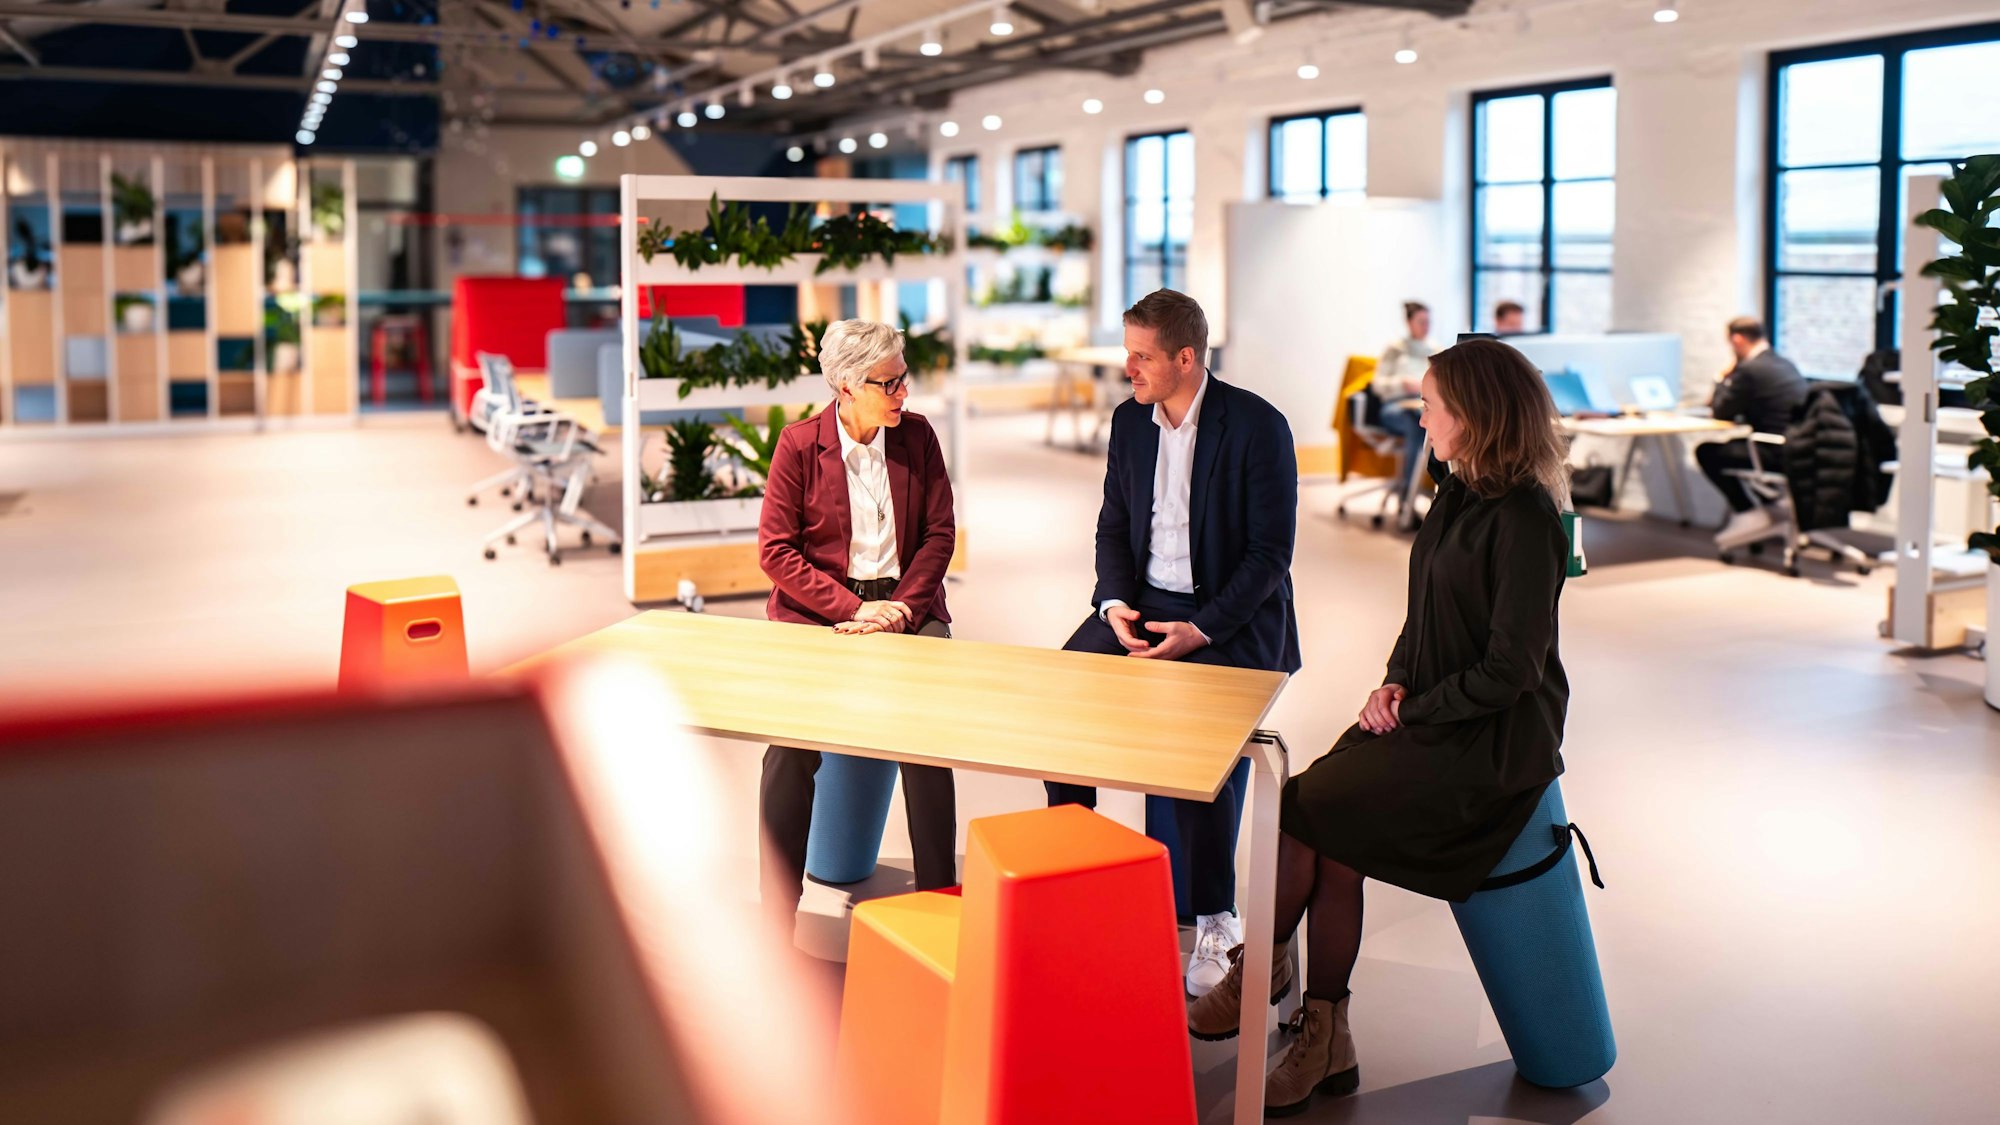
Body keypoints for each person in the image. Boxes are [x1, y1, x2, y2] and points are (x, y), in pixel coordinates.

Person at [1186, 337, 1573, 1117]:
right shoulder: (1458, 491)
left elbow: (1513, 672)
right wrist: (1395, 680)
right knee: (1319, 815)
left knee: (1309, 809)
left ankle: (1277, 977)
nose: (1417, 414)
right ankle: (1322, 1028)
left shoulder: (1529, 517)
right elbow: (1423, 613)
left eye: (1430, 404)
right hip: (1432, 709)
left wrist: (1415, 707)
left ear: (1473, 414)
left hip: (1492, 741)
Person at [1044, 288, 1301, 999]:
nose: (1127, 368)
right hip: (1146, 603)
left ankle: (1217, 915)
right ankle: (1076, 870)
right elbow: (1112, 526)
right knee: (1060, 695)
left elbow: (1269, 556)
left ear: (1185, 358)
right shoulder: (1130, 424)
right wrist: (1115, 601)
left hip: (1229, 617)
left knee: (1190, 734)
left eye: (1141, 356)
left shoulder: (1257, 426)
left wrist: (1203, 627)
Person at [756, 319, 959, 930]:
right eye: (889, 382)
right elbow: (776, 552)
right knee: (788, 750)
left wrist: (899, 607)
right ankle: (774, 917)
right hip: (822, 613)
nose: (904, 393)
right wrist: (852, 609)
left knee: (928, 742)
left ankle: (940, 905)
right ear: (846, 387)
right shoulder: (798, 444)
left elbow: (939, 535)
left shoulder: (917, 437)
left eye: (904, 379)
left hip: (907, 607)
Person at [1694, 316, 1809, 544]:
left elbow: (1720, 411)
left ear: (1737, 339)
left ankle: (1748, 512)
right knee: (1738, 449)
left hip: (1775, 451)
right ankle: (1771, 509)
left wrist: (1722, 377)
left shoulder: (1749, 370)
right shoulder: (1785, 363)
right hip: (1801, 447)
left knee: (1706, 452)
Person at [1374, 301, 1434, 528]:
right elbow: (1378, 385)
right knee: (1416, 427)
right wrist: (1403, 384)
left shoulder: (1434, 350)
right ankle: (1406, 502)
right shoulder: (1395, 349)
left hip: (1422, 405)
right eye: (1421, 321)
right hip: (1395, 408)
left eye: (1429, 321)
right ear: (1409, 323)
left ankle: (1433, 494)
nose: (1426, 326)